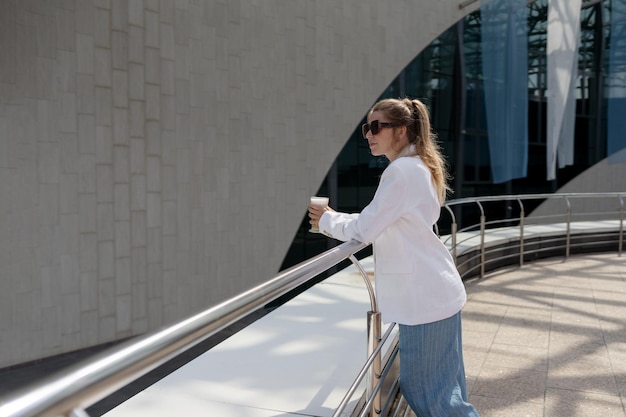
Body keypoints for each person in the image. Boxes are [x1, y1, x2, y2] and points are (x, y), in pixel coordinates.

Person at [308, 98, 479, 417]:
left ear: (400, 131)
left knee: (430, 395)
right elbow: (381, 218)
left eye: (376, 127)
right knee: (445, 393)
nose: (369, 134)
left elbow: (367, 229)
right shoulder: (414, 166)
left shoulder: (401, 172)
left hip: (426, 300)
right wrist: (337, 218)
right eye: (366, 128)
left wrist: (327, 220)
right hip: (433, 293)